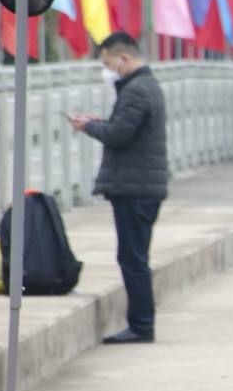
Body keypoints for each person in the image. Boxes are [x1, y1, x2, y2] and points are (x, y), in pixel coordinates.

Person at [70, 33, 169, 344]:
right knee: (134, 256)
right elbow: (123, 127)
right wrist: (100, 121)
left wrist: (89, 127)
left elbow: (120, 135)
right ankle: (141, 323)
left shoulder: (137, 89)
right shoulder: (143, 86)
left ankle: (141, 326)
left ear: (123, 58)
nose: (108, 69)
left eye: (108, 62)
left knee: (133, 259)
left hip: (135, 188)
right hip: (140, 185)